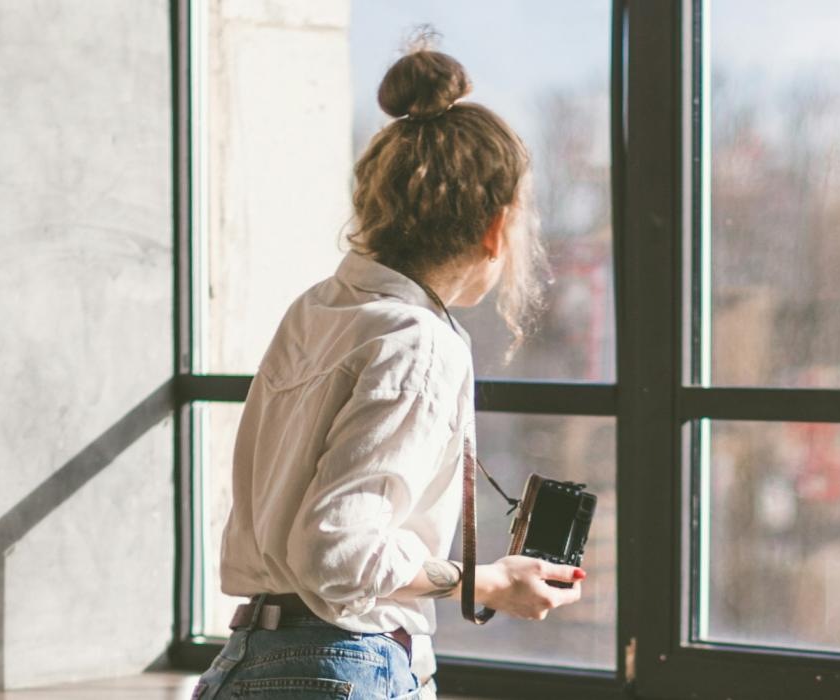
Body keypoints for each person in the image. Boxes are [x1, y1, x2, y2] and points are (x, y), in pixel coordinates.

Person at [193, 42, 587, 700]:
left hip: (251, 660)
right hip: (340, 666)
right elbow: (336, 554)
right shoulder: (418, 343)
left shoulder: (319, 309)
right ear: (494, 228)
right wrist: (485, 583)